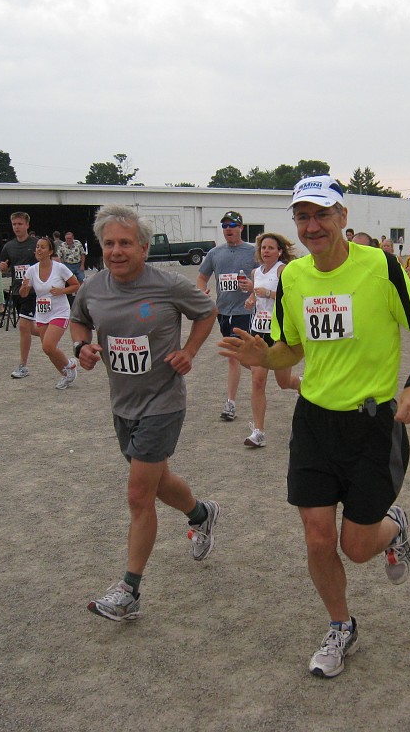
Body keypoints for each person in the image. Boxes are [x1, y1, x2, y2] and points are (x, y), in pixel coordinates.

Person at [218, 175, 410, 679]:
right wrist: (264, 355)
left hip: (372, 424)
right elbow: (290, 347)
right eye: (302, 216)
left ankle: (393, 526)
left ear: (342, 217)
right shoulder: (294, 277)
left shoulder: (379, 266)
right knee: (318, 538)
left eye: (321, 214)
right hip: (315, 421)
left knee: (356, 548)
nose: (312, 225)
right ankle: (341, 624)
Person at [71, 204, 220, 622]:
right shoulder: (93, 287)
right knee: (156, 483)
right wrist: (81, 347)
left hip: (163, 402)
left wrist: (189, 352)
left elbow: (208, 313)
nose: (116, 251)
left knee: (138, 494)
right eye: (108, 244)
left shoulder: (168, 285)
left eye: (125, 243)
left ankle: (129, 591)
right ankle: (201, 514)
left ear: (143, 246)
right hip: (123, 404)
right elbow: (78, 322)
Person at [196, 211, 257, 422]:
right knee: (243, 358)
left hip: (246, 312)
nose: (228, 229)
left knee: (233, 357)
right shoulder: (214, 253)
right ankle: (273, 368)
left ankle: (230, 404)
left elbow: (266, 277)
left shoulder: (254, 251)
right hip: (224, 313)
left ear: (241, 227)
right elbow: (202, 277)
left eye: (232, 225)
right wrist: (202, 290)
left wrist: (253, 290)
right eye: (224, 225)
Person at [242, 232, 301, 447]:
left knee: (284, 382)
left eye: (270, 248)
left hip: (279, 331)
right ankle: (258, 432)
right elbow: (256, 296)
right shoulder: (255, 272)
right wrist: (251, 298)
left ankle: (302, 385)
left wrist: (268, 293)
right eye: (263, 248)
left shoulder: (283, 270)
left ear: (280, 252)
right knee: (258, 380)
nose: (266, 251)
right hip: (259, 330)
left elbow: (291, 297)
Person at [18, 237, 82, 390]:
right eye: (37, 247)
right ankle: (66, 372)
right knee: (47, 349)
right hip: (42, 313)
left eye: (43, 247)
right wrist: (25, 287)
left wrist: (61, 291)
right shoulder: (31, 270)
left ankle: (69, 367)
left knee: (48, 344)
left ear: (50, 251)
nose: (39, 250)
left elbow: (76, 285)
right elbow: (23, 294)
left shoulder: (60, 268)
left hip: (60, 311)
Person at [0, 212, 40, 379]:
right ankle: (50, 334)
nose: (17, 227)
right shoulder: (8, 246)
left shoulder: (37, 244)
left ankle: (23, 366)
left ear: (27, 225)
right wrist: (3, 267)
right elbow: (5, 266)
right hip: (17, 291)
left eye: (20, 224)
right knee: (29, 328)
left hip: (33, 291)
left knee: (23, 326)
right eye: (14, 224)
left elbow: (48, 262)